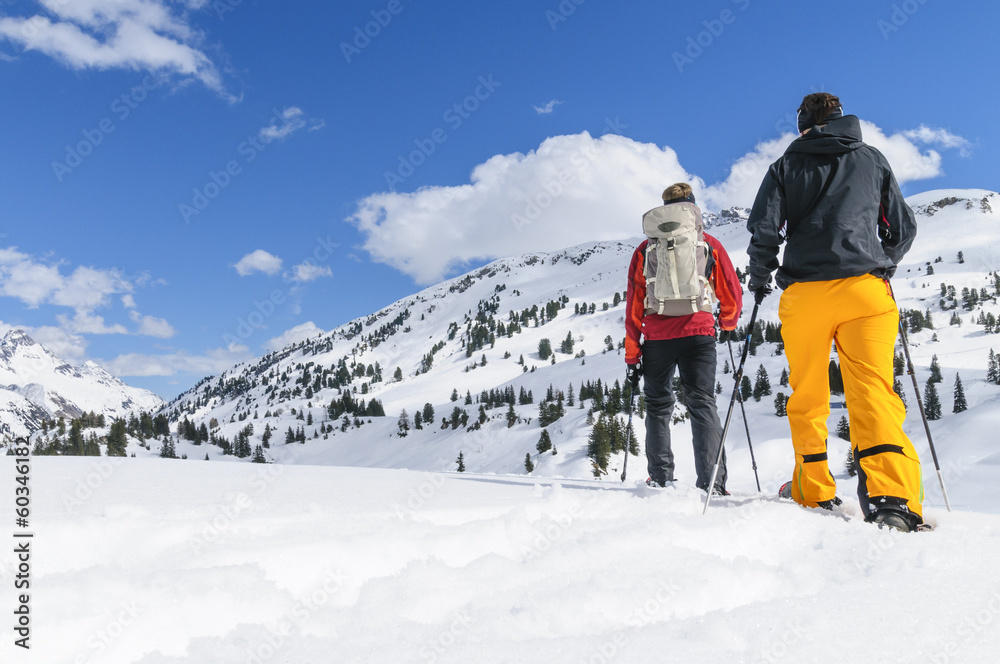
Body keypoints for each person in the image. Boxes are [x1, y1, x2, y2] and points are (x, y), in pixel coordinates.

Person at [745, 92, 923, 532]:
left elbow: (765, 229)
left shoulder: (786, 165)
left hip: (806, 293)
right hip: (865, 291)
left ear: (802, 122)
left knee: (808, 394)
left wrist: (760, 277)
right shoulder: (871, 158)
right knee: (873, 392)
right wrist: (882, 263)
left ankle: (813, 490)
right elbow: (903, 227)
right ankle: (892, 501)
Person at [625, 183, 743, 493]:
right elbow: (731, 290)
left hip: (657, 338)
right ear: (692, 205)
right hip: (699, 334)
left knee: (657, 406)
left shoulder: (645, 249)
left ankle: (660, 478)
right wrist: (727, 322)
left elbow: (634, 304)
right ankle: (712, 483)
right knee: (702, 404)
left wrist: (632, 354)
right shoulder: (708, 243)